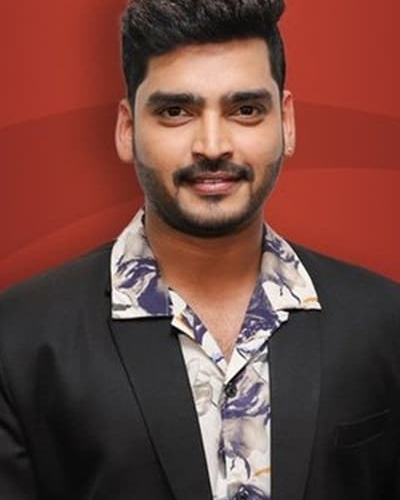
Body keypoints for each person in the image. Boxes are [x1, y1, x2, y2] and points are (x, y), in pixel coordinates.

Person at [0, 0, 399, 499]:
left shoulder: (385, 323)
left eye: (245, 110)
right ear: (127, 128)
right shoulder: (18, 340)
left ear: (287, 122)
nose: (212, 145)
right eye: (176, 112)